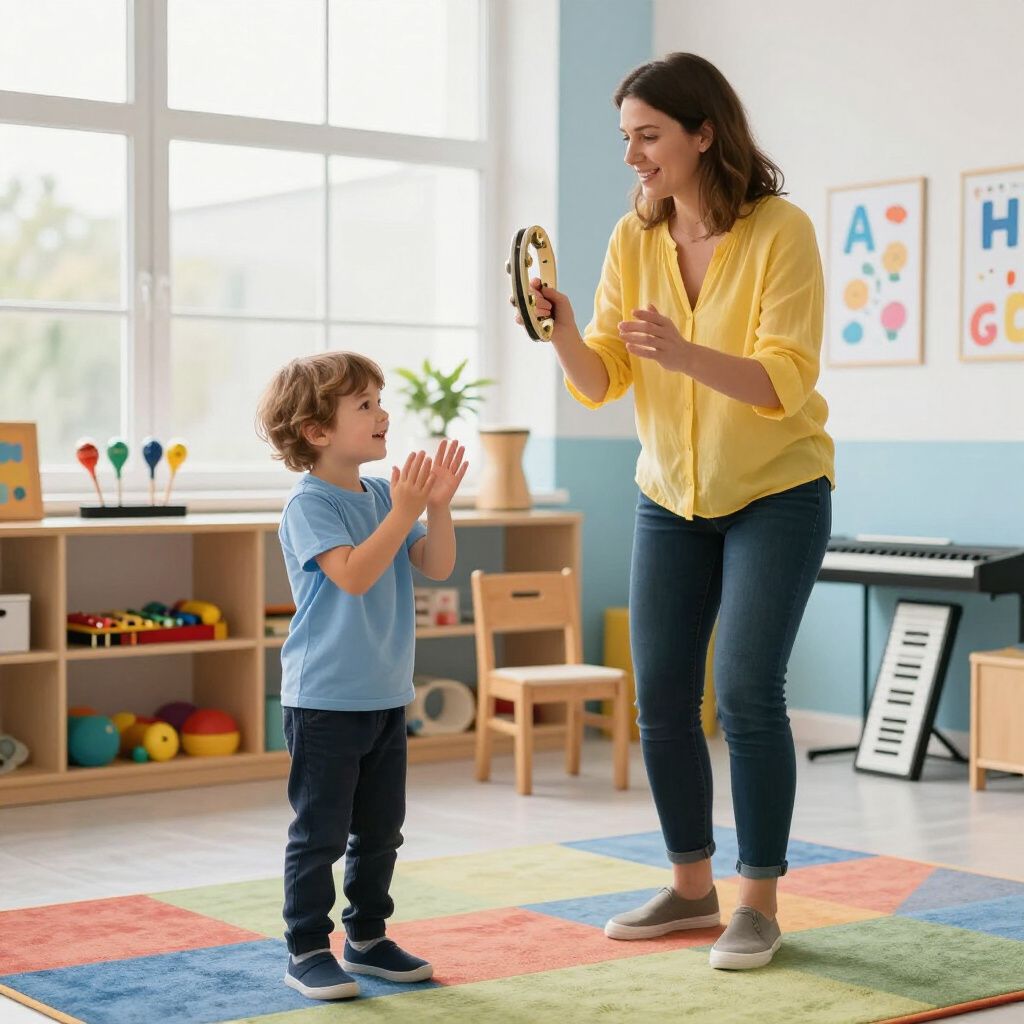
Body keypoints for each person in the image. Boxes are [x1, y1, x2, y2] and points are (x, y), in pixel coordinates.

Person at [517, 52, 834, 970]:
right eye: (626, 138)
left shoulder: (783, 232)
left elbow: (784, 379)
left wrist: (685, 351)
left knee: (744, 690)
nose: (634, 157)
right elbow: (605, 380)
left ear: (704, 132)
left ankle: (759, 902)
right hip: (669, 496)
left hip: (777, 490)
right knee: (659, 696)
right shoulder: (634, 239)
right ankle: (692, 889)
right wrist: (566, 331)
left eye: (648, 136)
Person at [256, 351, 468, 998]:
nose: (384, 414)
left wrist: (436, 507)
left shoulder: (381, 494)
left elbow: (435, 565)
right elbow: (352, 575)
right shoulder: (308, 505)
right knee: (319, 832)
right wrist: (404, 513)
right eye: (367, 405)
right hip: (324, 699)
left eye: (380, 401)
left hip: (384, 695)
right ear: (318, 431)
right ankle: (304, 949)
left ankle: (368, 938)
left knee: (381, 829)